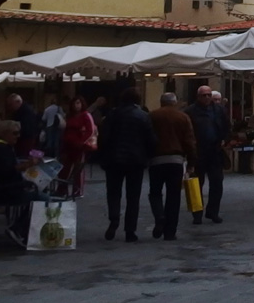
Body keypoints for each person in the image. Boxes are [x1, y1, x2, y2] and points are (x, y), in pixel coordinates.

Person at [97, 87, 156, 242]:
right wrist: (149, 156)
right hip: (136, 160)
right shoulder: (143, 116)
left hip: (114, 159)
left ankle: (114, 218)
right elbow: (150, 139)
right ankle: (130, 230)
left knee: (113, 192)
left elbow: (104, 137)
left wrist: (103, 156)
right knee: (133, 196)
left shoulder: (112, 114)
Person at [148, 92, 196, 241]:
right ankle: (170, 232)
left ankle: (159, 216)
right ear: (174, 103)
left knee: (155, 192)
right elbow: (189, 141)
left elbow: (146, 136)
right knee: (173, 196)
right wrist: (192, 162)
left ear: (161, 102)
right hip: (176, 160)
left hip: (156, 159)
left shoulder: (152, 116)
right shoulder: (182, 117)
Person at [184, 85, 229, 224]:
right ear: (198, 97)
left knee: (217, 182)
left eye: (209, 95)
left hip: (215, 151)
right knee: (196, 183)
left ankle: (213, 212)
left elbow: (227, 126)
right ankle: (197, 213)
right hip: (198, 152)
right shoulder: (190, 111)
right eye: (204, 95)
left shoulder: (219, 110)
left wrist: (224, 140)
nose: (207, 97)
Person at [0, 120, 35, 242]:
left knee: (36, 192)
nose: (18, 136)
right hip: (5, 192)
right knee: (41, 197)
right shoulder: (1, 149)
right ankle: (17, 228)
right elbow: (8, 170)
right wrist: (29, 164)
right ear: (4, 133)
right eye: (15, 133)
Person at [59, 96, 96, 197]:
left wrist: (81, 141)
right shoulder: (69, 116)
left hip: (79, 146)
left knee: (78, 169)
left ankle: (77, 190)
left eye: (79, 103)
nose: (77, 105)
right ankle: (62, 189)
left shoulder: (85, 115)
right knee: (65, 168)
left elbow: (90, 130)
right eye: (75, 103)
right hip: (68, 145)